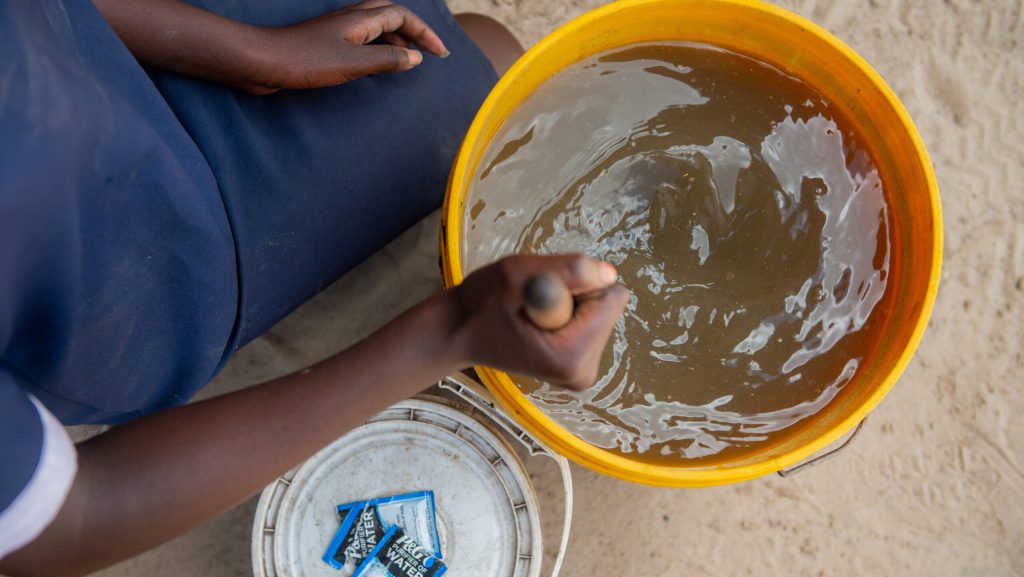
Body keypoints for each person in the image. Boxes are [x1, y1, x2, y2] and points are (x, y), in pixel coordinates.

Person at [0, 0, 629, 575]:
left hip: (90, 55)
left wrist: (246, 51)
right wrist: (450, 330)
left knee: (467, 42)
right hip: (157, 272)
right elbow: (73, 517)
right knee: (484, 57)